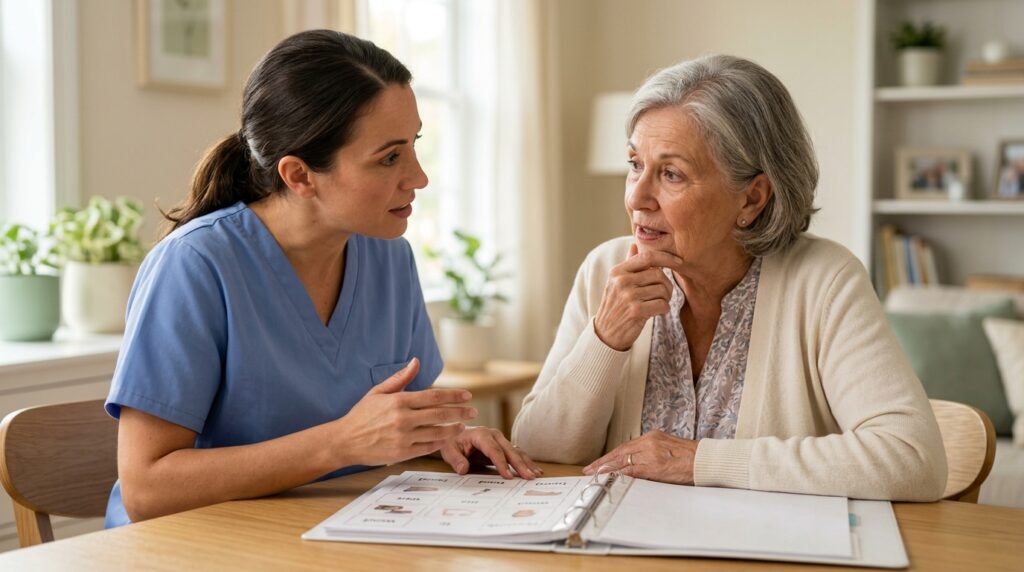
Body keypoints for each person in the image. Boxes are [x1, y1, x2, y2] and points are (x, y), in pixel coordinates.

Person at [104, 30, 539, 528]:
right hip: (194, 549)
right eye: (390, 157)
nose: (419, 177)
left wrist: (441, 438)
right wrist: (340, 442)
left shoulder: (390, 259)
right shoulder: (195, 266)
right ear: (300, 175)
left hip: (331, 537)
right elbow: (146, 489)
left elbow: (396, 423)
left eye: (414, 146)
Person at [512, 55, 947, 501]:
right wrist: (604, 341)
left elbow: (912, 458)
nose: (638, 197)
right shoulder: (605, 269)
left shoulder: (825, 282)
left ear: (752, 198)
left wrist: (698, 461)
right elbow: (536, 450)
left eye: (671, 174)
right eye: (635, 164)